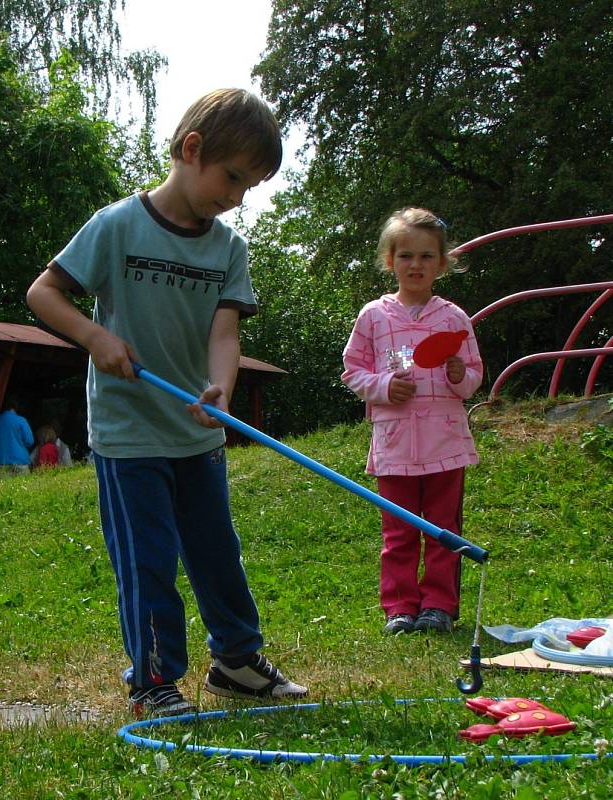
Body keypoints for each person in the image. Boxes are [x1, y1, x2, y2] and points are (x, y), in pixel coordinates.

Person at [26, 88, 308, 716]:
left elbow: (225, 333)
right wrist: (96, 337)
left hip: (196, 434)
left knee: (216, 553)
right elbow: (43, 293)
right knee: (148, 560)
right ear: (191, 149)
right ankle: (154, 680)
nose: (236, 197)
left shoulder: (227, 248)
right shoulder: (117, 225)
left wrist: (221, 391)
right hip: (129, 436)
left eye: (250, 187)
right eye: (232, 177)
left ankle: (236, 660)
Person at [342, 207, 483, 636]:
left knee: (444, 531)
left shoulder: (454, 318)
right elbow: (352, 371)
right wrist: (383, 386)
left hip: (446, 445)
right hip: (395, 446)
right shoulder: (374, 316)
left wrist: (460, 376)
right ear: (390, 260)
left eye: (426, 256)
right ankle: (400, 607)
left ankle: (439, 605)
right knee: (399, 533)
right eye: (406, 256)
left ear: (442, 262)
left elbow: (474, 375)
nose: (415, 265)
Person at [0, 398, 34, 477]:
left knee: (5, 489)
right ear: (16, 408)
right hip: (21, 460)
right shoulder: (21, 420)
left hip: (2, 461)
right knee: (24, 488)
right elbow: (30, 441)